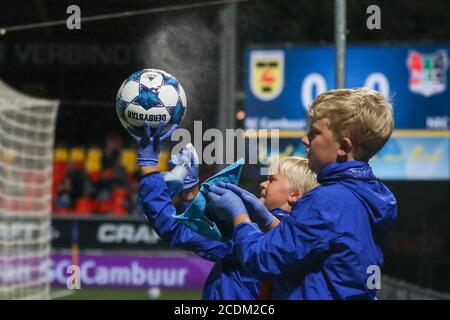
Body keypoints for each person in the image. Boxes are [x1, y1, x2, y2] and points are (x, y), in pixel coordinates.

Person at [207, 87, 398, 299]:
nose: (304, 140)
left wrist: (239, 216)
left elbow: (262, 260)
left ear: (343, 147)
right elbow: (321, 246)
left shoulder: (327, 201)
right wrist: (268, 220)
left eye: (314, 133)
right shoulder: (375, 197)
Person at [131, 122, 317, 299]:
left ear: (295, 194)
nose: (263, 183)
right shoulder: (302, 236)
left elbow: (176, 229)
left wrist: (148, 166)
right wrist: (191, 192)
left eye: (272, 179)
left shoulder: (251, 232)